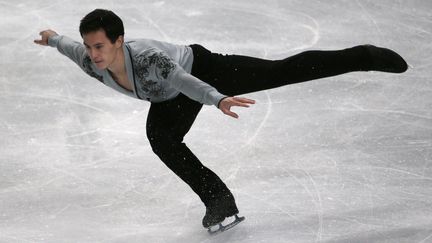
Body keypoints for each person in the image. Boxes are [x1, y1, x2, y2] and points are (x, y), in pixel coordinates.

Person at [34, 9, 408, 230]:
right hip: (169, 98)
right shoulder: (88, 59)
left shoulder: (148, 58)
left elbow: (184, 80)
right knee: (162, 140)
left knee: (281, 71)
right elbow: (67, 45)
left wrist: (216, 98)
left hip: (204, 70)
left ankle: (363, 56)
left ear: (119, 41)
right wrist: (52, 38)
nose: (93, 53)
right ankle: (220, 201)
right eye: (89, 45)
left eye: (100, 45)